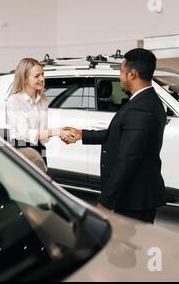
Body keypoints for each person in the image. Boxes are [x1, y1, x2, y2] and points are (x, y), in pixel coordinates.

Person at [64, 48, 166, 223]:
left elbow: (128, 158)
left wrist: (105, 202)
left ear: (132, 74)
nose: (120, 77)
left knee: (128, 248)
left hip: (134, 199)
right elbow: (121, 135)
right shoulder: (146, 101)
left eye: (121, 71)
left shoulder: (141, 107)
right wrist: (82, 134)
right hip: (135, 195)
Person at [6, 58, 73, 165]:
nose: (42, 78)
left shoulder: (42, 101)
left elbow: (43, 138)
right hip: (21, 151)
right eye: (36, 76)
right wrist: (57, 131)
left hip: (39, 150)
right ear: (25, 79)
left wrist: (61, 133)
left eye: (42, 74)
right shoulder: (14, 101)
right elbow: (25, 134)